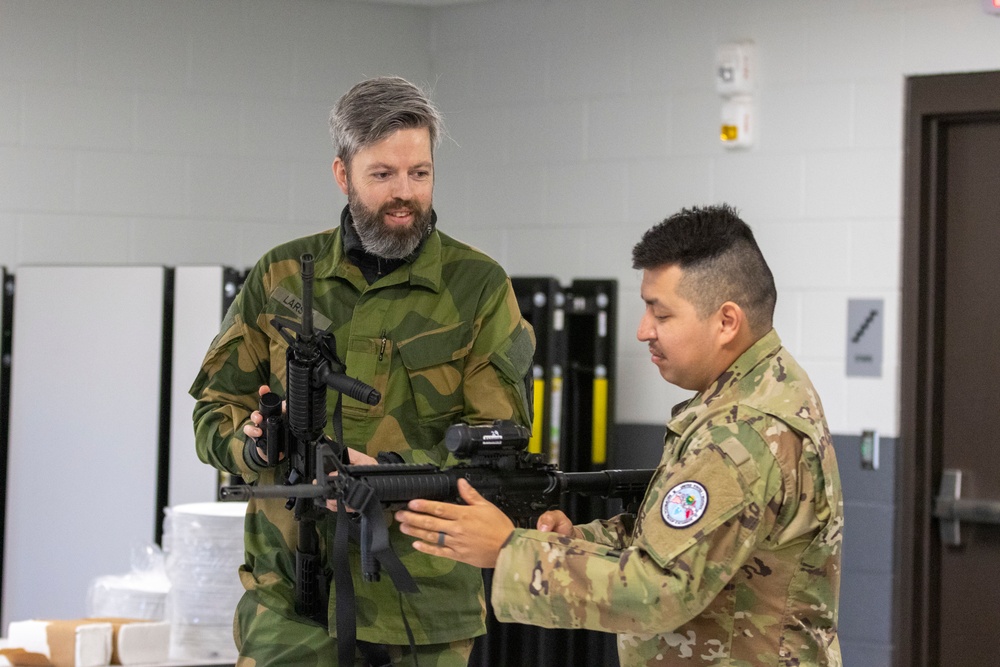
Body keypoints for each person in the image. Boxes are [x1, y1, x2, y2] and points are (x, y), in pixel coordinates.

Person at [396, 204, 844, 666]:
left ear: (727, 321)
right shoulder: (761, 391)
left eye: (661, 314)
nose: (642, 330)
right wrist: (574, 542)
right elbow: (683, 546)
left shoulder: (739, 434)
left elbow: (660, 590)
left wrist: (509, 551)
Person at [190, 76, 535, 667]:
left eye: (419, 173)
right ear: (342, 174)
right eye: (383, 175)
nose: (405, 193)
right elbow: (212, 410)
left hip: (421, 607)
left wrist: (394, 478)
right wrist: (252, 445)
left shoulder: (477, 287)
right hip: (291, 604)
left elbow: (500, 449)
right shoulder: (281, 278)